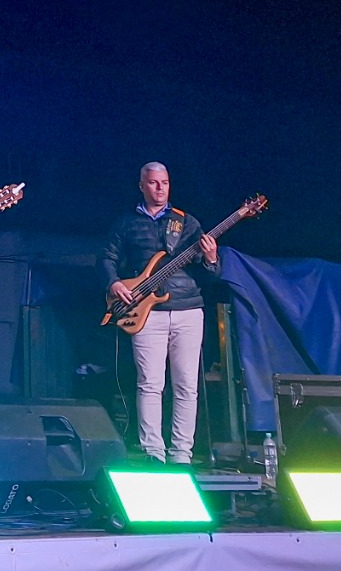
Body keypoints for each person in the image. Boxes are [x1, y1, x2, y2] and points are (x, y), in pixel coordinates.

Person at [100, 162, 220, 465]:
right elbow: (106, 258)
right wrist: (114, 283)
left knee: (186, 385)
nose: (160, 188)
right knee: (150, 383)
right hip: (146, 311)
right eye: (153, 183)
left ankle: (182, 453)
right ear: (142, 186)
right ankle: (153, 451)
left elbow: (211, 274)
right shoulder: (126, 223)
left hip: (188, 308)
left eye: (164, 182)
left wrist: (211, 258)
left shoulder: (186, 222)